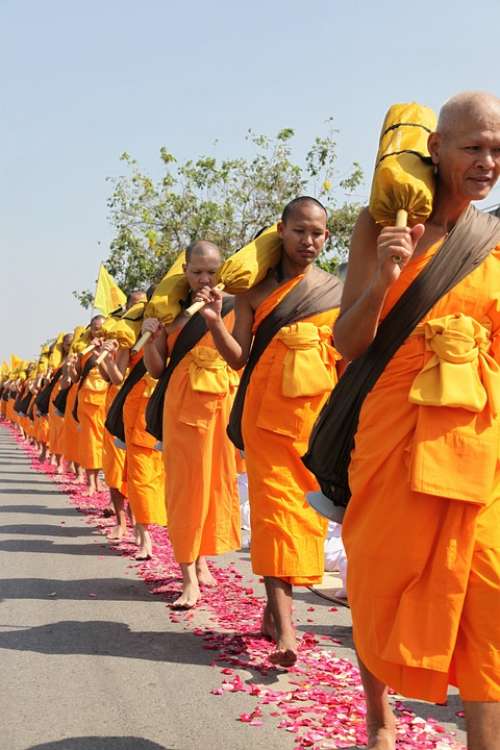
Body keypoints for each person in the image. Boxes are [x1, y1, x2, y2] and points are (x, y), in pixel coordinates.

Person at [334, 92, 500, 750]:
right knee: (383, 580)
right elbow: (347, 342)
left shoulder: (490, 239)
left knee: (489, 595)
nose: (488, 161)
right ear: (435, 148)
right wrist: (383, 276)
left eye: (497, 148)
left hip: (476, 454)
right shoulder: (379, 226)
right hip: (394, 444)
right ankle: (379, 712)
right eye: (473, 147)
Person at [194, 198, 343, 665]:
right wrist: (217, 322)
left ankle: (270, 609)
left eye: (318, 233)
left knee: (305, 522)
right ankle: (288, 633)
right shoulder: (257, 294)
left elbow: (348, 358)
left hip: (316, 428)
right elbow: (239, 357)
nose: (309, 241)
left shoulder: (337, 292)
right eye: (300, 231)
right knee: (274, 519)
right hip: (266, 425)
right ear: (281, 230)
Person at [142, 241, 241, 609]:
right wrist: (153, 340)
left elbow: (237, 358)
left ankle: (202, 558)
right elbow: (156, 370)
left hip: (220, 409)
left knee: (214, 486)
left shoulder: (233, 306)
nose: (203, 278)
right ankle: (187, 576)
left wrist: (216, 319)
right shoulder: (171, 316)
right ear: (184, 270)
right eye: (196, 271)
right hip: (182, 413)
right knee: (185, 489)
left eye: (211, 271)